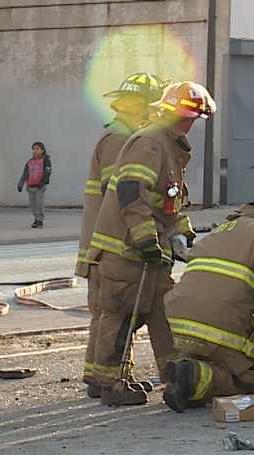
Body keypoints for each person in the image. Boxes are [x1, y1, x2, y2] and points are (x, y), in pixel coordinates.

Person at [85, 81, 215, 407]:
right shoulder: (151, 144)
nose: (191, 124)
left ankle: (175, 380)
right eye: (188, 117)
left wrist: (185, 236)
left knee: (163, 314)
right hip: (125, 250)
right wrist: (145, 237)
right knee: (119, 318)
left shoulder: (170, 147)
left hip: (150, 254)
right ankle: (111, 385)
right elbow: (132, 192)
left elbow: (170, 203)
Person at [78, 73, 168, 399]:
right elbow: (122, 194)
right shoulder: (121, 140)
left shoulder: (121, 135)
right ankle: (108, 381)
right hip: (112, 243)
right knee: (116, 314)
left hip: (102, 243)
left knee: (109, 314)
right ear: (143, 106)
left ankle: (105, 377)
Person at [162, 205, 254, 412]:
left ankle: (189, 375)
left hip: (181, 322)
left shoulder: (223, 228)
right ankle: (193, 377)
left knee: (215, 358)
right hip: (219, 328)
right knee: (247, 379)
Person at [16, 142, 52, 228]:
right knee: (33, 205)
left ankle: (40, 220)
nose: (35, 151)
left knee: (39, 203)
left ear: (42, 150)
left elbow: (47, 172)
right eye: (34, 149)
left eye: (37, 149)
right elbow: (25, 174)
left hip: (40, 187)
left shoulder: (46, 160)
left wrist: (42, 182)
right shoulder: (30, 162)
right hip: (30, 186)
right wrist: (20, 184)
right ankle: (36, 218)